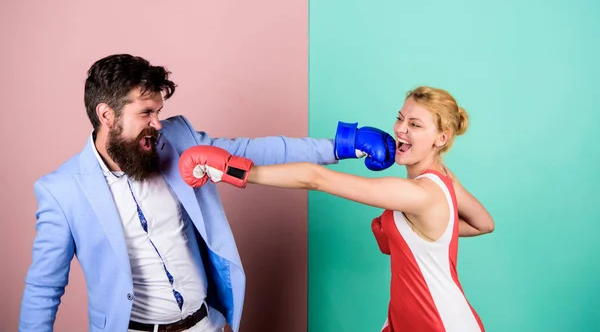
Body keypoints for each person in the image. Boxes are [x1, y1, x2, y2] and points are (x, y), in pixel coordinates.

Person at [18, 53, 398, 332]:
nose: (157, 124)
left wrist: (339, 146)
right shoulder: (62, 190)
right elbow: (44, 287)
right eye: (146, 113)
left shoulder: (177, 138)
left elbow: (253, 151)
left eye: (159, 112)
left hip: (206, 325)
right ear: (106, 115)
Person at [178, 86, 495, 332]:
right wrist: (426, 240)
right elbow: (484, 223)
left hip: (439, 323)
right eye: (400, 118)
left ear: (442, 137)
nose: (401, 129)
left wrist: (235, 170)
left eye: (415, 125)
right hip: (404, 320)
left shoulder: (419, 193)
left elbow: (316, 178)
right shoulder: (443, 181)